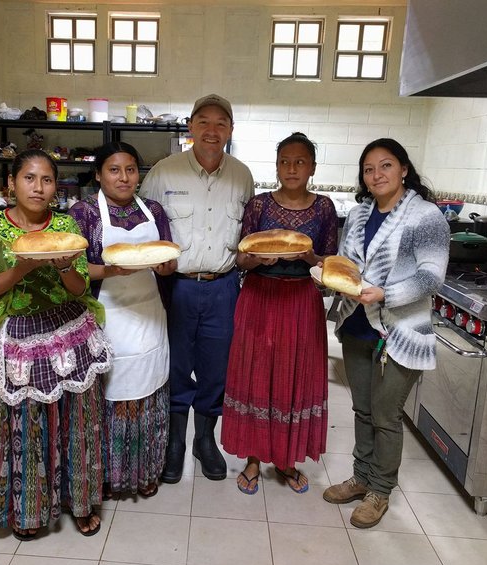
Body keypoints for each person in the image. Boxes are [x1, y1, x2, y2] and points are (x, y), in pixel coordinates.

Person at [0, 149, 112, 540]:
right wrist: (23, 267)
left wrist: (64, 266)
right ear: (11, 184)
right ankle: (29, 508)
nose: (38, 187)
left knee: (78, 420)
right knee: (27, 423)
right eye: (29, 178)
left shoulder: (66, 226)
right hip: (19, 333)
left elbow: (80, 288)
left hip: (68, 329)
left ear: (56, 187)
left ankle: (80, 503)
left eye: (47, 180)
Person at [322, 138, 449, 528]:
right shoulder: (360, 214)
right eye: (369, 169)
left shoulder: (425, 216)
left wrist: (386, 294)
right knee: (362, 409)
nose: (377, 175)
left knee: (386, 415)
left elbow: (431, 277)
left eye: (386, 166)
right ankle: (361, 477)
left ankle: (380, 489)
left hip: (401, 330)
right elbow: (347, 265)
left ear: (404, 169)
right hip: (358, 325)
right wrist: (329, 280)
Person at [140, 94, 255, 483]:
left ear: (230, 131)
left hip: (224, 287)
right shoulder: (164, 172)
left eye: (220, 123)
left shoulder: (242, 175)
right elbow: (145, 228)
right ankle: (175, 442)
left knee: (216, 368)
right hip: (176, 287)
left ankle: (205, 441)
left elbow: (247, 236)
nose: (211, 130)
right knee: (175, 365)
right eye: (203, 121)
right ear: (190, 127)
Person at [221, 133, 338, 495]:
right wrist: (258, 258)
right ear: (276, 166)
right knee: (255, 375)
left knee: (293, 377)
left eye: (300, 161)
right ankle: (254, 459)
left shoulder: (324, 208)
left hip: (301, 302)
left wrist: (308, 258)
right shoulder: (258, 205)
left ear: (312, 168)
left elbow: (330, 264)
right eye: (285, 161)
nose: (291, 168)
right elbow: (241, 257)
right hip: (259, 296)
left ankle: (286, 458)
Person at [68, 142, 176, 499]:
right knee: (109, 398)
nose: (124, 177)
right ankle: (108, 477)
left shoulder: (154, 210)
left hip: (148, 315)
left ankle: (145, 472)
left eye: (131, 169)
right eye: (114, 170)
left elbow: (168, 259)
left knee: (149, 393)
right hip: (106, 317)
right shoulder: (84, 213)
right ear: (98, 174)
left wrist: (165, 266)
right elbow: (77, 270)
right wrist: (113, 269)